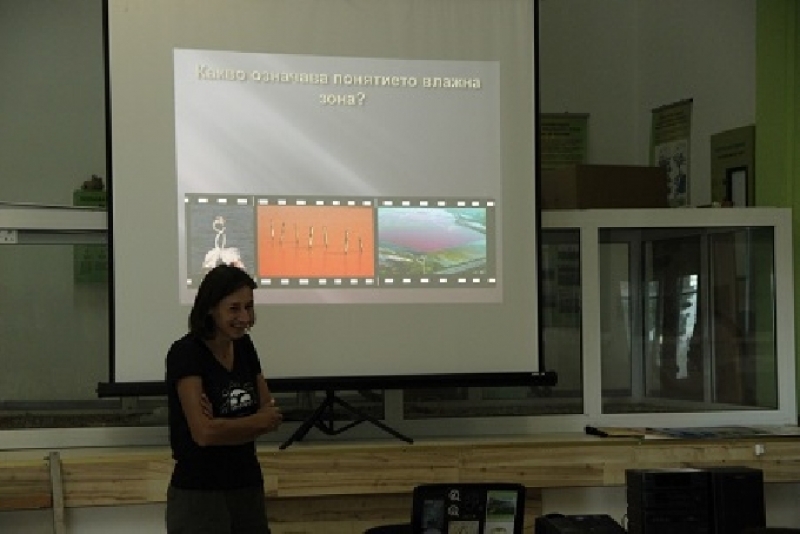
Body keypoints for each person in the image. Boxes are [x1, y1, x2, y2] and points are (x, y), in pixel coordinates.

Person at [165, 263, 283, 534]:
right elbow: (204, 434)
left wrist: (223, 424)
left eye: (249, 307)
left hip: (247, 487)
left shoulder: (245, 347)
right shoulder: (186, 353)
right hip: (200, 495)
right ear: (210, 308)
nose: (245, 317)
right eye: (234, 308)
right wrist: (254, 422)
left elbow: (271, 414)